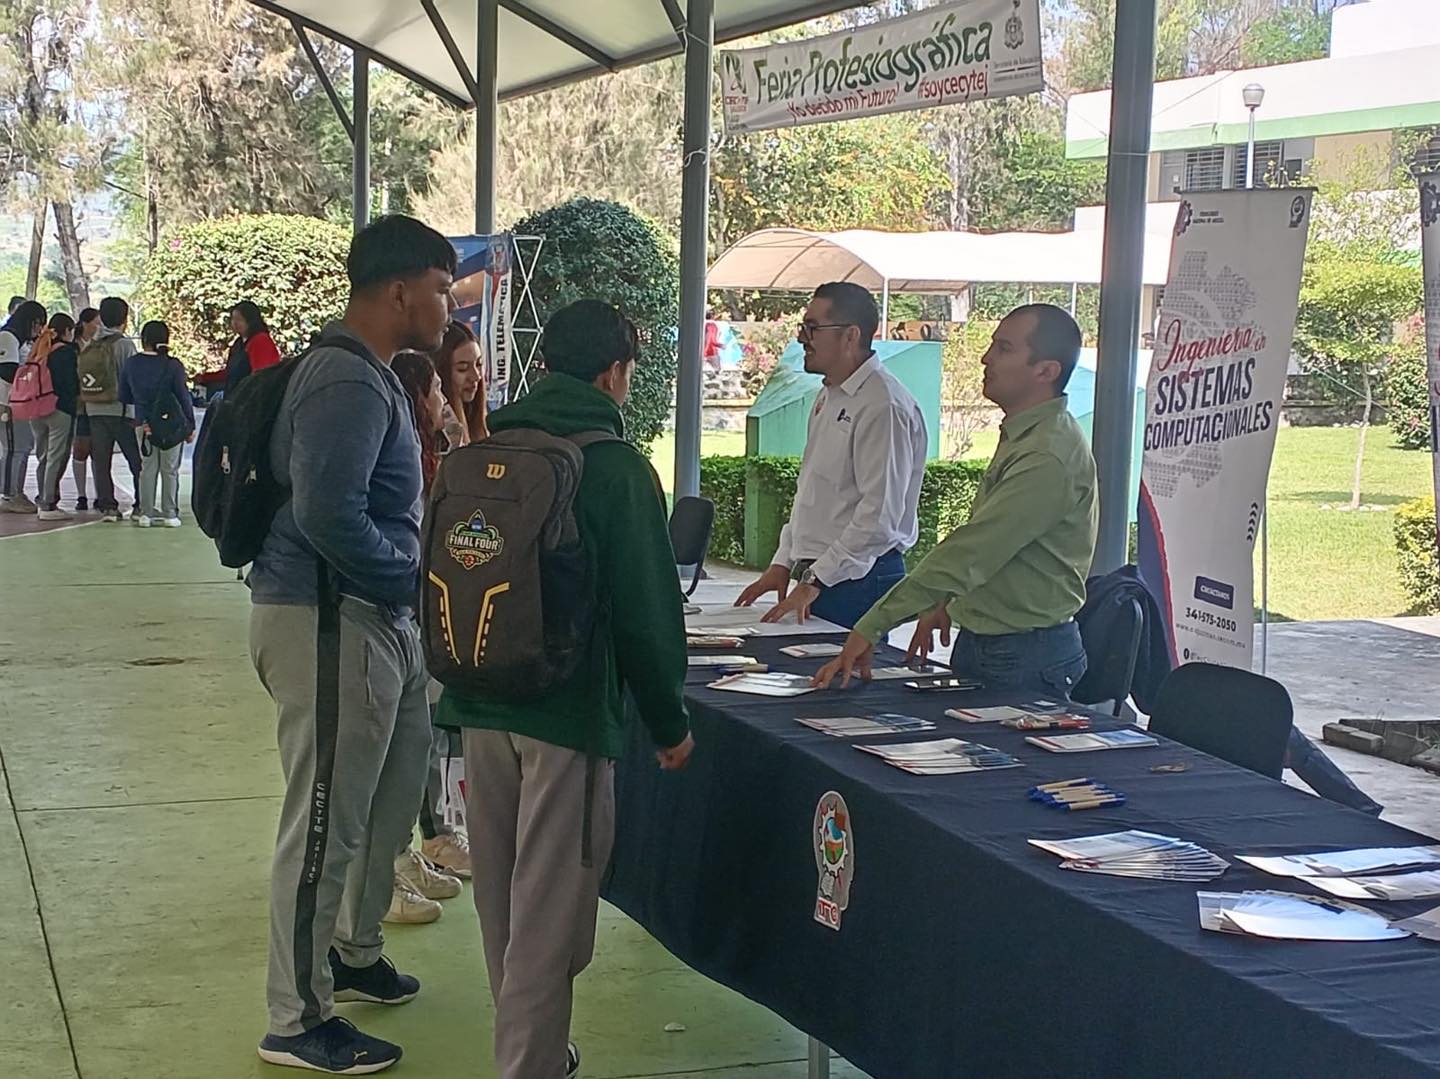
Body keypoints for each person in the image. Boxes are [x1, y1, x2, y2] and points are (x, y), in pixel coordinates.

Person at [436, 299, 695, 1079]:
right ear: (615, 373)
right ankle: (530, 1064)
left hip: (478, 698)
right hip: (568, 712)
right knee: (553, 908)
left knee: (503, 896)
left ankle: (533, 1045)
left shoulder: (489, 449)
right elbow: (650, 615)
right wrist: (668, 721)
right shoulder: (615, 470)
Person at [248, 214, 457, 1076]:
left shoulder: (372, 377)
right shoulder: (343, 380)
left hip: (376, 623)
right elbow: (325, 514)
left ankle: (352, 948)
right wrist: (405, 573)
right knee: (326, 817)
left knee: (386, 795)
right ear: (400, 291)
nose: (449, 308)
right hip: (332, 620)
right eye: (442, 290)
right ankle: (297, 1019)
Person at [815, 304, 1098, 697]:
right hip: (992, 643)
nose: (986, 358)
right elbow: (998, 556)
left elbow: (971, 552)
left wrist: (874, 623)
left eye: (1004, 348)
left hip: (1024, 654)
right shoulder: (1028, 435)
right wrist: (946, 602)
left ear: (1045, 371)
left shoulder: (1047, 455)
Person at [735, 282, 928, 629]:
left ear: (850, 336)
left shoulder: (883, 404)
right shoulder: (829, 396)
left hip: (859, 578)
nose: (801, 339)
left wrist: (815, 581)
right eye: (802, 328)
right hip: (824, 576)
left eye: (813, 328)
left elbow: (878, 518)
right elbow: (813, 494)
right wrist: (782, 563)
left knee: (840, 680)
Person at [386, 350, 470, 925]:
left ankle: (403, 852)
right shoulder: (404, 460)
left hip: (418, 613)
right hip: (400, 612)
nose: (446, 395)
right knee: (392, 747)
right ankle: (382, 874)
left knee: (417, 738)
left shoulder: (433, 453)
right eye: (439, 383)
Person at [119, 320, 195, 528]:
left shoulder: (132, 364)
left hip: (143, 423)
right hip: (171, 424)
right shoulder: (173, 365)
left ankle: (146, 513)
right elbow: (183, 396)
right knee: (169, 469)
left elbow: (123, 395)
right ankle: (170, 513)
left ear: (144, 340)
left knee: (147, 468)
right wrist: (190, 424)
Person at [83, 297, 142, 522]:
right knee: (135, 460)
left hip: (94, 408)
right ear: (124, 318)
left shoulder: (91, 343)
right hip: (121, 409)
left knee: (101, 460)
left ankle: (108, 506)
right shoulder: (124, 345)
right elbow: (133, 378)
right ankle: (140, 504)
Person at [30, 312, 81, 519]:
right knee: (56, 456)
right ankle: (48, 503)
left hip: (36, 407)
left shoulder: (41, 348)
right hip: (60, 408)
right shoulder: (66, 353)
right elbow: (70, 384)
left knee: (42, 455)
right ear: (67, 331)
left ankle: (42, 497)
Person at [0, 299, 47, 513]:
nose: (39, 329)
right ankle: (9, 494)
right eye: (38, 324)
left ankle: (16, 490)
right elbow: (7, 371)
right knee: (14, 448)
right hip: (7, 402)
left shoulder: (22, 341)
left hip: (21, 402)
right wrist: (30, 370)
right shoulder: (7, 337)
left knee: (23, 447)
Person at [432, 319, 485, 447]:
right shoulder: (437, 429)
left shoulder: (478, 418)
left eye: (479, 364)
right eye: (463, 368)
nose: (476, 376)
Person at [69, 307, 100, 511]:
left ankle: (100, 494)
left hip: (98, 403)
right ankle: (81, 495)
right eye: (96, 322)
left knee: (99, 451)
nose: (99, 326)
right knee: (80, 449)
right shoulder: (73, 347)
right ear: (86, 323)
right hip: (80, 406)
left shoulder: (101, 346)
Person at [225, 300, 283, 394]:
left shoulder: (261, 341)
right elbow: (230, 373)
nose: (235, 323)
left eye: (239, 320)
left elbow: (261, 376)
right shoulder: (238, 343)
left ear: (250, 321)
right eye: (233, 319)